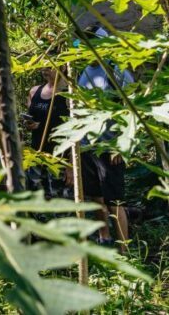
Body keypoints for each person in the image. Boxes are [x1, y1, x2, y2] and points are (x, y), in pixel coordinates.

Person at [76, 27, 134, 248]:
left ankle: (124, 248)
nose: (83, 47)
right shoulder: (84, 71)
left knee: (114, 200)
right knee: (95, 196)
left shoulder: (115, 71)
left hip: (109, 146)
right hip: (87, 145)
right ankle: (104, 237)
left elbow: (132, 108)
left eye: (89, 42)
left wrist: (122, 144)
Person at [24, 65, 70, 197]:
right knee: (36, 196)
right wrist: (28, 124)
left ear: (62, 67)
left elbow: (76, 129)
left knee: (59, 197)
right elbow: (31, 117)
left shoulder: (69, 94)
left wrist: (71, 165)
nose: (45, 70)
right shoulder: (34, 91)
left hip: (59, 156)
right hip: (36, 152)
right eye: (42, 67)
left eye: (50, 67)